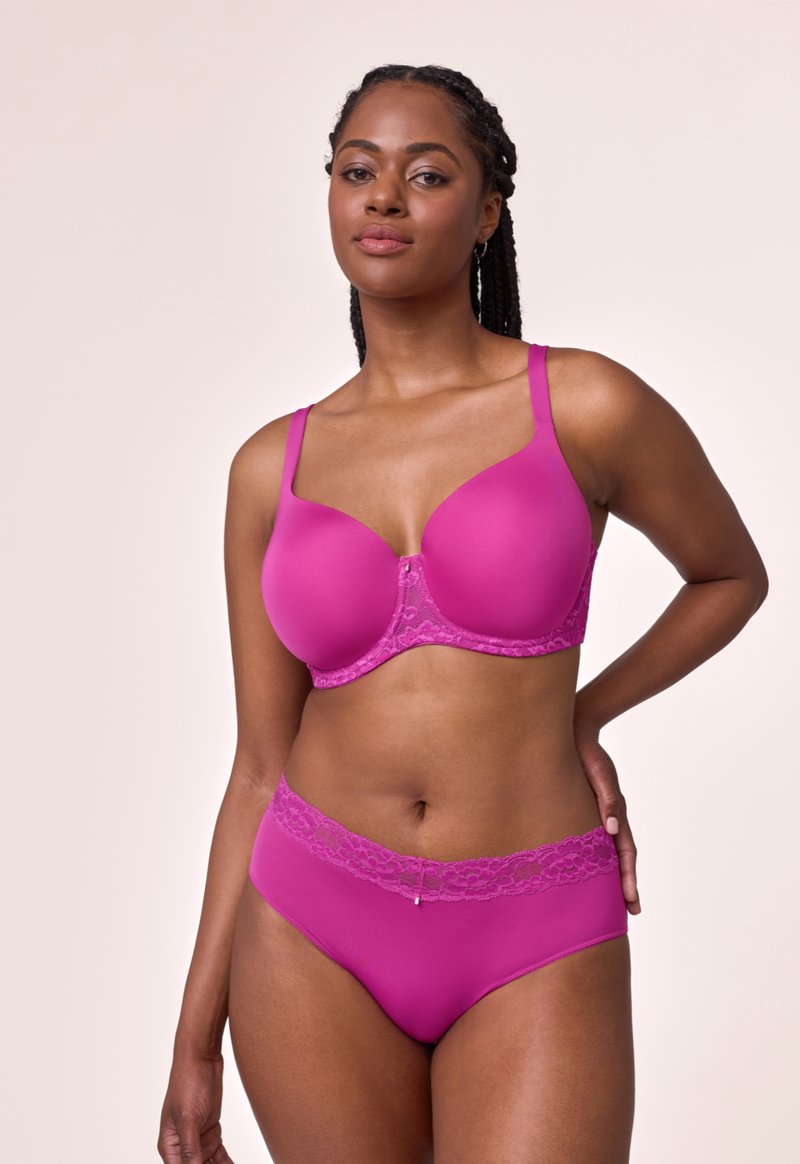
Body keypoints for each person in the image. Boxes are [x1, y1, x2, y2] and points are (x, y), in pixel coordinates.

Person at [157, 64, 767, 1164]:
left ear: (486, 213)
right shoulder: (267, 469)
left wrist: (585, 712)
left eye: (427, 174)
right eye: (358, 170)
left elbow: (729, 575)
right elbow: (257, 767)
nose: (384, 197)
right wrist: (194, 1041)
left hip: (535, 916)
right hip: (309, 924)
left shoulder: (583, 403)